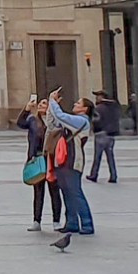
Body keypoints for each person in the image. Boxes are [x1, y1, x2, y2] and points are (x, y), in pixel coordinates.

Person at [45, 89, 94, 249]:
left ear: (85, 109)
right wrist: (52, 108)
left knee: (75, 191)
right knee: (66, 191)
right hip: (64, 160)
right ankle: (72, 222)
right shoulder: (74, 120)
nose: (75, 104)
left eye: (78, 103)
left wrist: (52, 101)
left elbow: (62, 117)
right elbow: (53, 124)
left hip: (73, 161)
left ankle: (87, 223)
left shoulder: (82, 121)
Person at [18, 97, 63, 231]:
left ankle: (56, 221)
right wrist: (26, 109)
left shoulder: (55, 121)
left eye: (45, 103)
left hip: (51, 158)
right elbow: (20, 123)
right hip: (37, 157)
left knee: (54, 190)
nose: (42, 105)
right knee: (38, 191)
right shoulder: (33, 120)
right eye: (40, 103)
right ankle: (36, 221)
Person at [89, 94, 121, 183]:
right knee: (110, 157)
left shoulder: (99, 108)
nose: (96, 98)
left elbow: (96, 120)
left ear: (101, 97)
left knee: (97, 156)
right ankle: (113, 175)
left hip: (101, 134)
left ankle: (94, 174)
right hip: (111, 134)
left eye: (97, 96)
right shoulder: (114, 107)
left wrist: (94, 127)